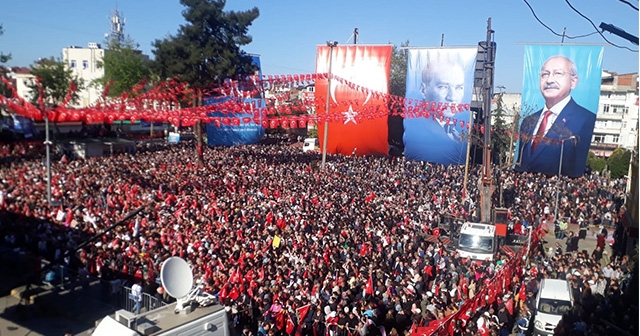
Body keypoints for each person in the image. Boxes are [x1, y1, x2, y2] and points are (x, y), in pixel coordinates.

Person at [515, 55, 596, 178]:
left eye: (558, 73)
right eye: (545, 74)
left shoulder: (585, 119)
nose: (549, 80)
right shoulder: (528, 121)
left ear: (573, 82)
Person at [404, 58, 470, 165]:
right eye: (443, 87)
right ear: (423, 90)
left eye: (459, 87)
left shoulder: (460, 127)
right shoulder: (417, 129)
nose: (452, 97)